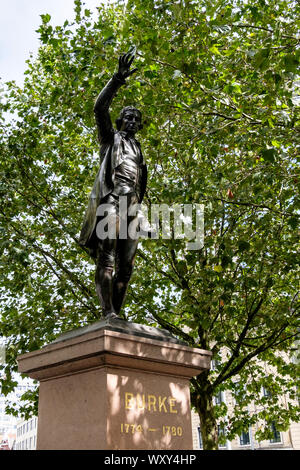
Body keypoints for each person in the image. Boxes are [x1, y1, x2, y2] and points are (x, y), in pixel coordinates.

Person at [79, 52, 147, 318]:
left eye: (135, 118)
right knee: (106, 259)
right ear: (120, 122)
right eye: (127, 117)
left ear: (139, 125)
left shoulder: (138, 151)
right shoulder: (110, 139)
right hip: (111, 202)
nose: (131, 121)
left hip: (132, 208)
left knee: (127, 267)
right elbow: (99, 108)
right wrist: (117, 79)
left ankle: (117, 316)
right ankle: (108, 313)